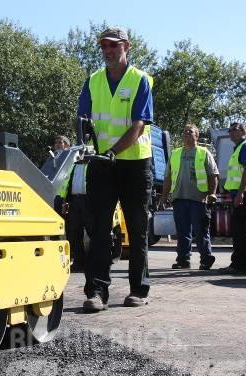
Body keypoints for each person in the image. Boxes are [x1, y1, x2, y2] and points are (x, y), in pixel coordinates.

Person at [77, 27, 154, 312]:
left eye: (113, 46)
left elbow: (138, 125)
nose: (108, 51)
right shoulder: (93, 81)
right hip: (102, 165)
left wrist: (112, 152)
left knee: (137, 228)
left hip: (134, 163)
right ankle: (96, 292)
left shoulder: (140, 81)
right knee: (98, 229)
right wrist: (82, 145)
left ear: (126, 47)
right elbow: (83, 120)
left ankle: (138, 289)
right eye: (104, 46)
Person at [160, 124, 219, 270]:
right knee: (182, 232)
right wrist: (164, 196)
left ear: (197, 136)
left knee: (201, 231)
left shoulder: (204, 152)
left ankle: (206, 259)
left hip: (199, 199)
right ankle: (183, 260)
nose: (187, 133)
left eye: (190, 132)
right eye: (185, 131)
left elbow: (213, 175)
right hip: (179, 198)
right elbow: (167, 177)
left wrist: (212, 193)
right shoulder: (175, 153)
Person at [223, 123, 246, 272]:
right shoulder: (239, 148)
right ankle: (242, 264)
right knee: (240, 230)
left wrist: (240, 193)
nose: (230, 133)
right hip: (240, 193)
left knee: (241, 230)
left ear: (243, 131)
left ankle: (239, 265)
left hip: (245, 194)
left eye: (233, 130)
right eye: (229, 130)